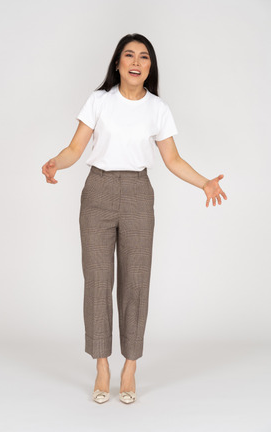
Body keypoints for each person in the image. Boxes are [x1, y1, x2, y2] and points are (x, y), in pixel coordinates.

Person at [42, 33, 227, 404]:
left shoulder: (158, 108)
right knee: (97, 280)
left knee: (136, 281)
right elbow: (76, 148)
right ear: (117, 63)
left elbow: (172, 160)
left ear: (149, 67)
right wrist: (54, 163)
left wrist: (205, 182)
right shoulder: (99, 102)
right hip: (97, 192)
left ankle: (130, 366)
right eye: (129, 55)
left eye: (144, 57)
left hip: (139, 195)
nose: (136, 62)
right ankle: (101, 364)